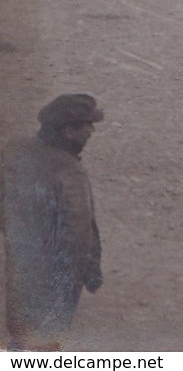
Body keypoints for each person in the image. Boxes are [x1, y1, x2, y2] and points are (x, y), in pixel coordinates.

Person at [2, 94, 104, 351]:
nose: (91, 131)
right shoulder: (69, 171)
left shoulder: (15, 153)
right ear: (68, 131)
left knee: (21, 335)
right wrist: (89, 269)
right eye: (86, 125)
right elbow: (78, 233)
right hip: (56, 277)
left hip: (21, 267)